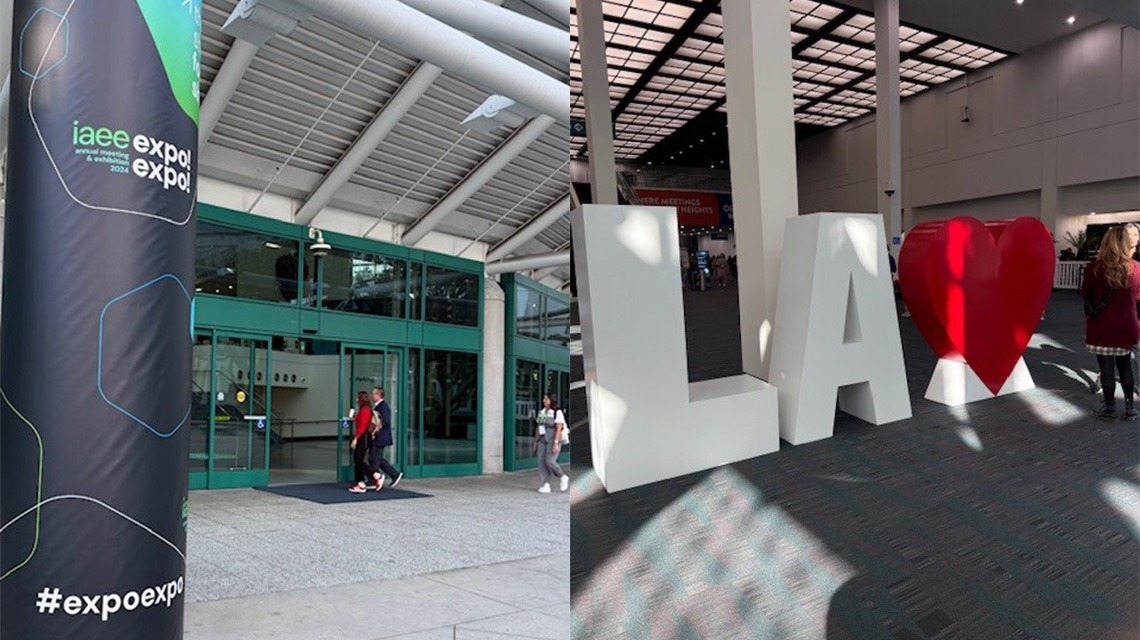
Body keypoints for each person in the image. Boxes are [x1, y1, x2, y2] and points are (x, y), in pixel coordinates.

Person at [1081, 226, 1140, 420]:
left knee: (1106, 369)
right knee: (1125, 367)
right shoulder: (1136, 268)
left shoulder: (1094, 267)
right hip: (1126, 325)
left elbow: (1085, 294)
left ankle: (1109, 408)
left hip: (1101, 326)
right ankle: (1130, 408)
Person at [348, 391, 382, 493]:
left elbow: (362, 426)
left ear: (361, 399)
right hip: (363, 437)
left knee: (358, 459)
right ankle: (361, 483)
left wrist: (356, 438)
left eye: (358, 398)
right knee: (358, 459)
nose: (356, 399)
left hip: (364, 437)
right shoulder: (364, 410)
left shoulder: (365, 410)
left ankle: (376, 475)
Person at [369, 387, 403, 489]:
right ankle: (394, 474)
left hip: (380, 437)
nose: (372, 395)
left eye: (374, 394)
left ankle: (375, 479)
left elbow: (385, 421)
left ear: (378, 395)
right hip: (380, 437)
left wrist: (375, 427)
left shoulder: (383, 407)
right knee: (377, 458)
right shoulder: (379, 406)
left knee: (373, 457)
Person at [534, 392, 568, 494]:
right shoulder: (542, 412)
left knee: (550, 461)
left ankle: (562, 476)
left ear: (551, 400)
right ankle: (546, 484)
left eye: (546, 399)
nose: (544, 401)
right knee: (541, 461)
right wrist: (535, 441)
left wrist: (556, 443)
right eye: (544, 399)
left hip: (553, 439)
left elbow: (558, 428)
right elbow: (538, 426)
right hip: (542, 439)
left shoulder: (557, 412)